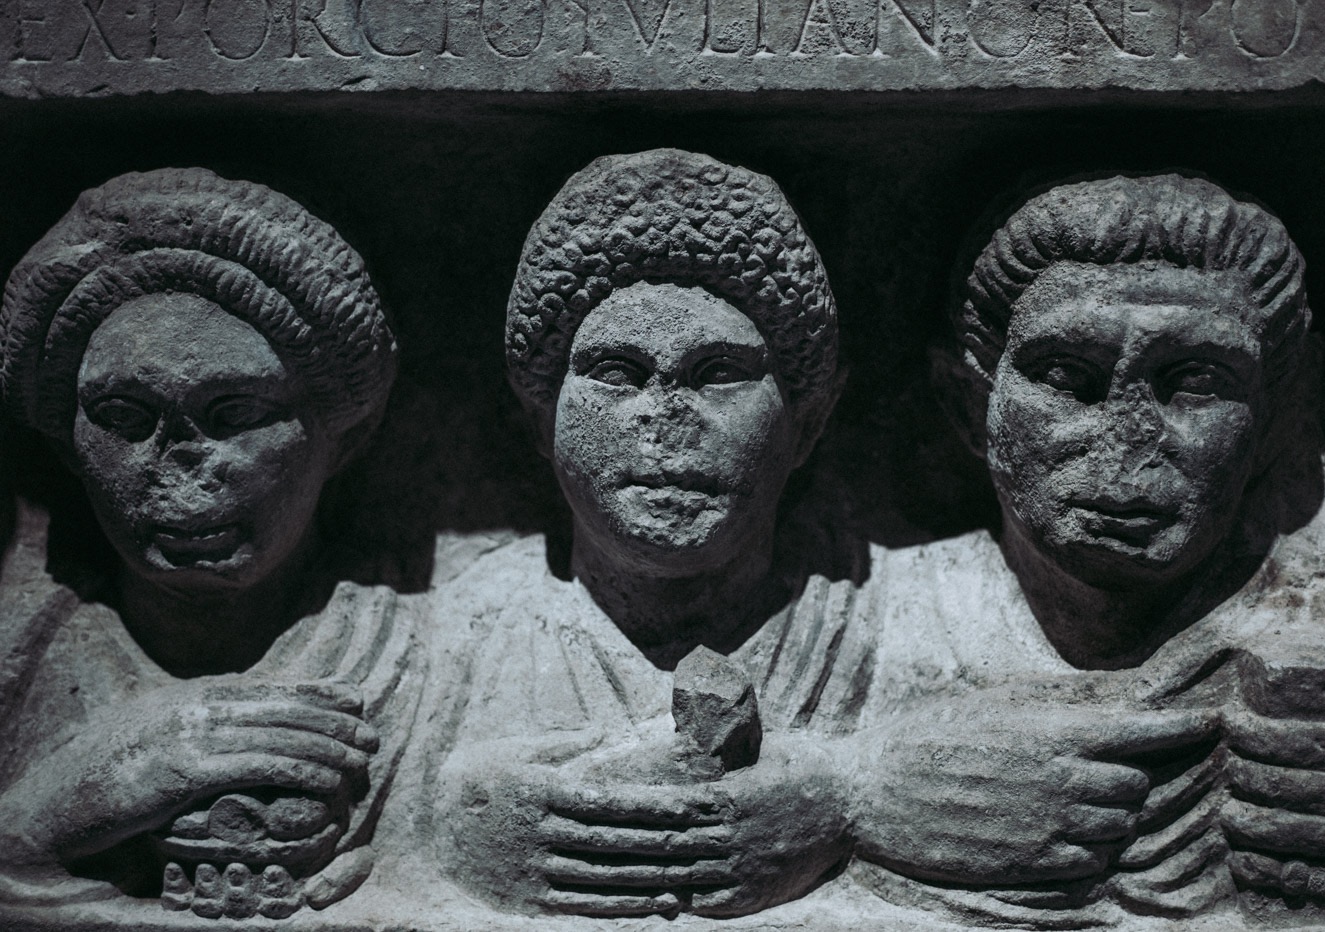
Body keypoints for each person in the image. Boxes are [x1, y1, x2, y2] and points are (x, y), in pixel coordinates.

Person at [850, 174, 1325, 924]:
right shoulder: (857, 620)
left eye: (1195, 382)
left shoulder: (1323, 668)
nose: (1128, 445)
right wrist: (851, 796)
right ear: (970, 403)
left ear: (1276, 417)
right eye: (1069, 378)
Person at [420, 148, 866, 920]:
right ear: (540, 419)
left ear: (809, 419)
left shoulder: (895, 620)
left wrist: (848, 802)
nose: (666, 421)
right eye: (618, 374)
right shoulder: (448, 638)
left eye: (719, 373)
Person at [0, 168, 419, 923]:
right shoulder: (19, 656)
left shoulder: (441, 657)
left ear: (338, 430)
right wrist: (49, 814)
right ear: (67, 440)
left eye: (234, 414)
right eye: (124, 417)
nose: (180, 470)